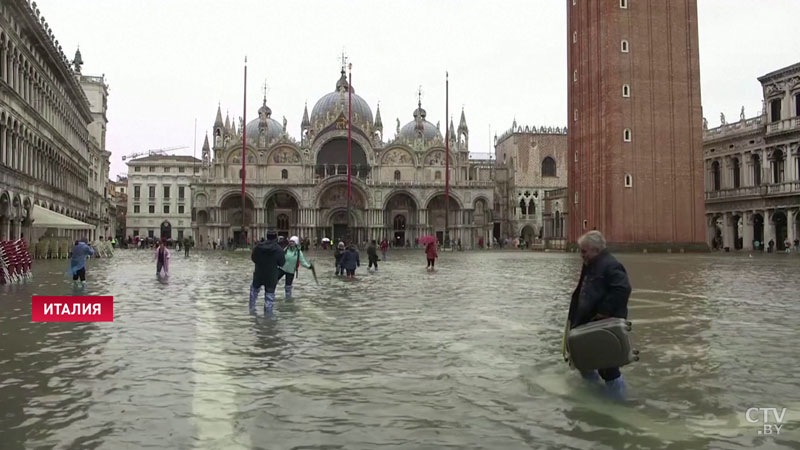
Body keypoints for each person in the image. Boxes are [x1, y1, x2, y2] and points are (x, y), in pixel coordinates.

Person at [567, 230, 631, 401]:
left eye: (584, 251)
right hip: (588, 323)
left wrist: (604, 311)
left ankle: (619, 402)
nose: (581, 255)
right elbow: (582, 290)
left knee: (608, 368)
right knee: (585, 361)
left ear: (595, 250)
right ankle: (594, 394)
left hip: (603, 325)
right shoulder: (591, 263)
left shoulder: (610, 265)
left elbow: (622, 289)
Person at [250, 230, 286, 315]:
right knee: (269, 299)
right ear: (276, 238)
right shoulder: (279, 249)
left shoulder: (258, 247)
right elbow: (282, 263)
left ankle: (251, 314)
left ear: (267, 236)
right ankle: (268, 321)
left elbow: (253, 258)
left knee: (253, 295)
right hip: (271, 276)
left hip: (258, 275)